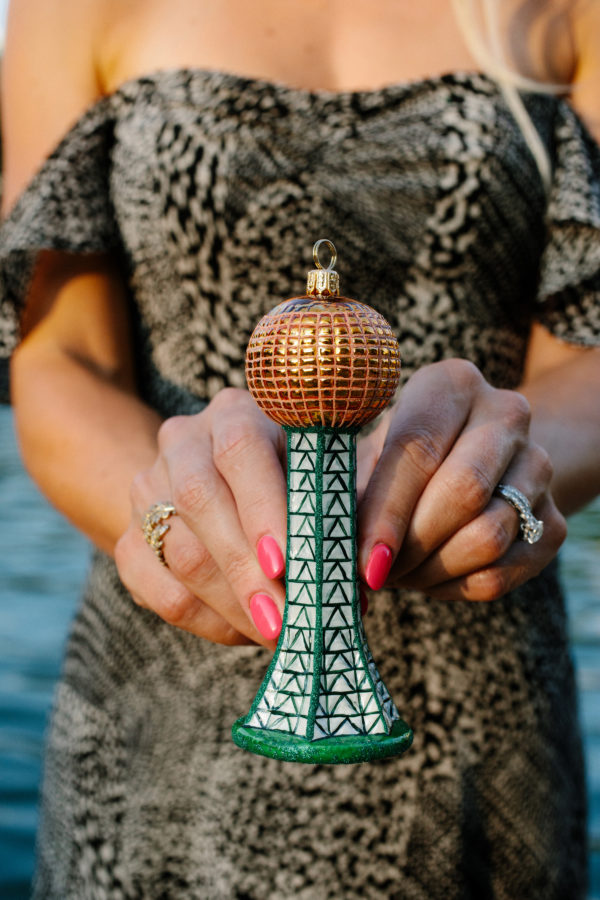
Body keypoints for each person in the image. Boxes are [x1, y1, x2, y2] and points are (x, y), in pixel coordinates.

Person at [2, 0, 600, 896]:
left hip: (481, 691)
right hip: (161, 685)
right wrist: (167, 499)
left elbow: (589, 352)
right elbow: (60, 355)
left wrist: (497, 464)